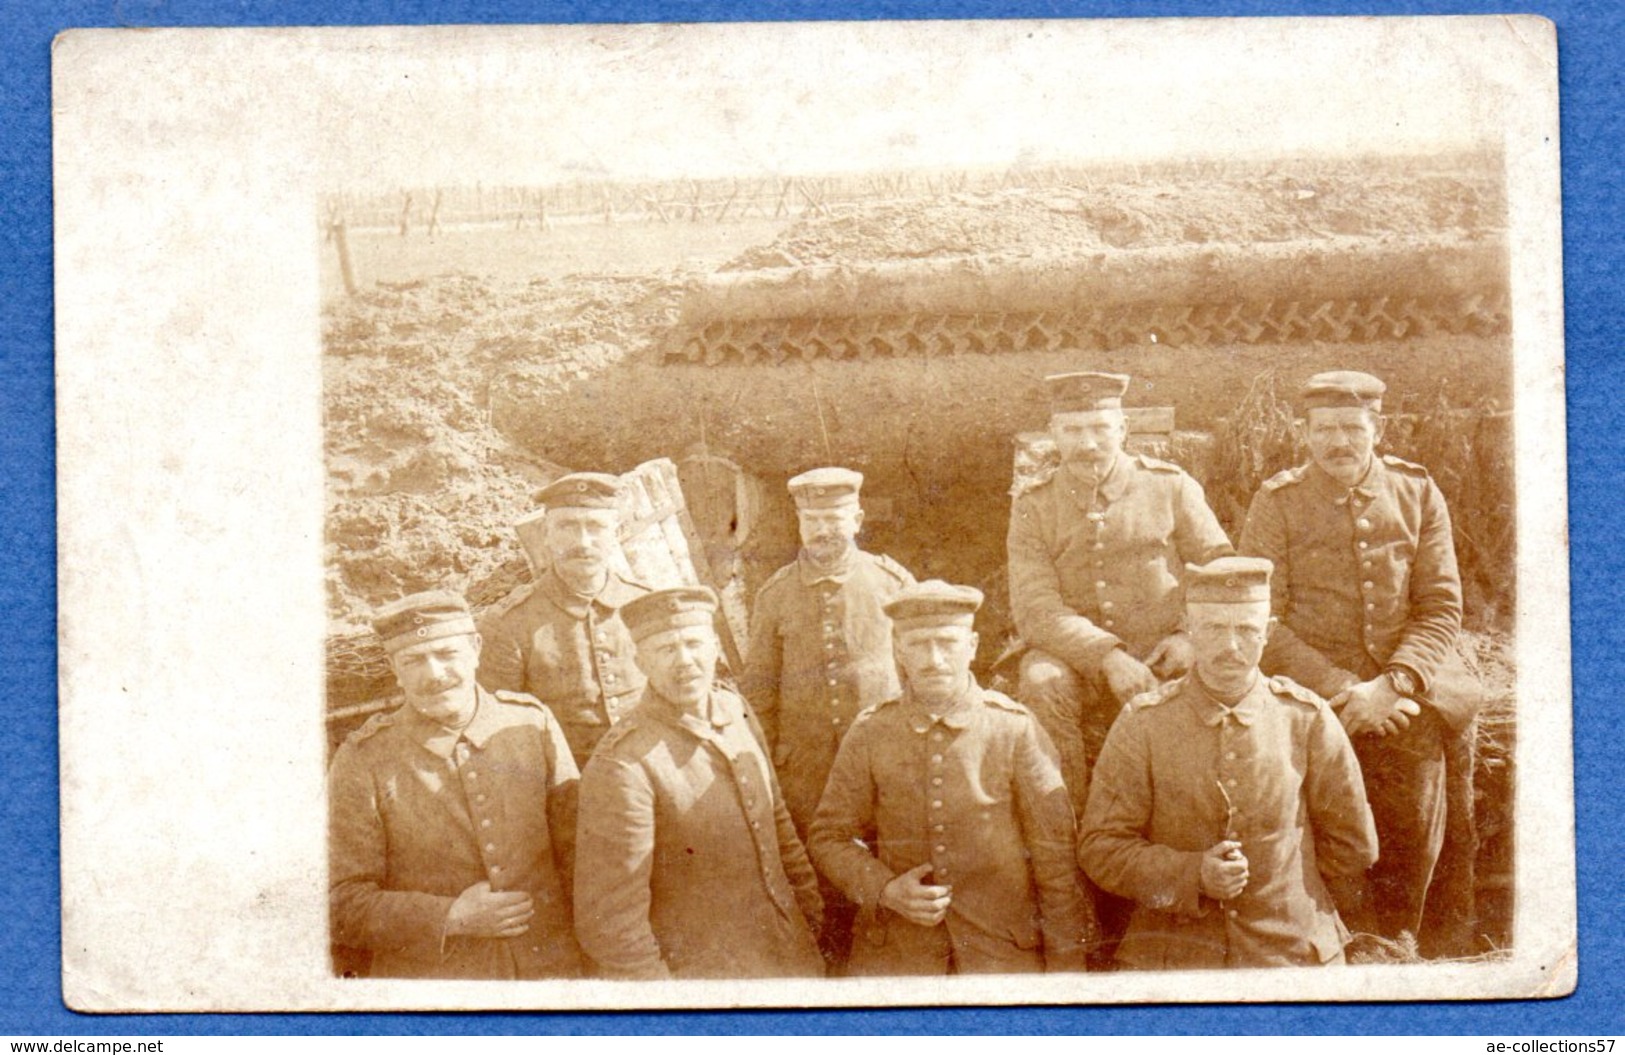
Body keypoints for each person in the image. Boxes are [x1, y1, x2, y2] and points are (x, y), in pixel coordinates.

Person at [1239, 370, 1484, 955]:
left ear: (1378, 428)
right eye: (1324, 429)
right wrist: (1344, 689)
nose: (1338, 442)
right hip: (1317, 683)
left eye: (1352, 427)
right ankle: (1343, 933)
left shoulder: (1417, 491)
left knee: (1419, 766)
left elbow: (1441, 605)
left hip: (1409, 681)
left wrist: (1396, 682)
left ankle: (1400, 939)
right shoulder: (1277, 501)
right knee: (1311, 793)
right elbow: (1263, 618)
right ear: (1305, 433)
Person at [1078, 557, 1378, 969]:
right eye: (1215, 628)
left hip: (1292, 958)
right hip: (1177, 960)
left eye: (1247, 630)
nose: (1231, 647)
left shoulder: (1307, 718)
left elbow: (1353, 845)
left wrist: (1286, 897)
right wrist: (1190, 874)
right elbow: (1101, 849)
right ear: (1189, 628)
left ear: (1269, 632)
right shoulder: (1143, 723)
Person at [809, 580, 1094, 975]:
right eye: (918, 644)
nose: (934, 659)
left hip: (1000, 955)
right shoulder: (871, 732)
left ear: (972, 646)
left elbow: (1056, 862)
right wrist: (885, 890)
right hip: (898, 958)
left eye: (947, 642)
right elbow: (829, 838)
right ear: (897, 650)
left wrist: (1067, 968)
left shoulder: (1013, 728)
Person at [1007, 370, 1235, 817]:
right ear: (1054, 434)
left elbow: (1220, 572)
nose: (1088, 443)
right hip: (1077, 661)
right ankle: (1068, 825)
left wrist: (1190, 635)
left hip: (1165, 651)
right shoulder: (1033, 505)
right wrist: (1108, 657)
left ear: (1123, 429)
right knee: (1040, 681)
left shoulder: (1171, 486)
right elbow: (1036, 607)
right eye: (1073, 430)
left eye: (1099, 428)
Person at [573, 586, 825, 979]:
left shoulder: (733, 708)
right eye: (665, 650)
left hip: (791, 955)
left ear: (715, 647)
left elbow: (778, 824)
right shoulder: (623, 765)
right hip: (709, 983)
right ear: (640, 662)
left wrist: (808, 916)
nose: (685, 661)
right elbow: (611, 922)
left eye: (693, 643)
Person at [328, 591, 582, 979]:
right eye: (414, 660)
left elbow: (580, 853)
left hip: (551, 969)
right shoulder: (362, 759)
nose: (433, 673)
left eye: (446, 653)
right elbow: (338, 902)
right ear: (394, 668)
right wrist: (450, 917)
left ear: (475, 648)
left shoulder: (532, 723)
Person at [739, 466, 915, 968]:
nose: (822, 530)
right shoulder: (774, 595)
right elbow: (760, 693)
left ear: (856, 518)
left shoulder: (892, 584)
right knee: (821, 878)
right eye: (812, 519)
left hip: (886, 764)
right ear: (799, 523)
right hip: (807, 773)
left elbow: (917, 673)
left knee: (889, 860)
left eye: (833, 518)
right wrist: (770, 766)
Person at [477, 471, 653, 766]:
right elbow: (502, 735)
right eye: (567, 526)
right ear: (545, 533)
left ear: (615, 532)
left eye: (595, 526)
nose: (583, 541)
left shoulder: (645, 604)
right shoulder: (507, 623)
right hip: (570, 788)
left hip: (653, 770)